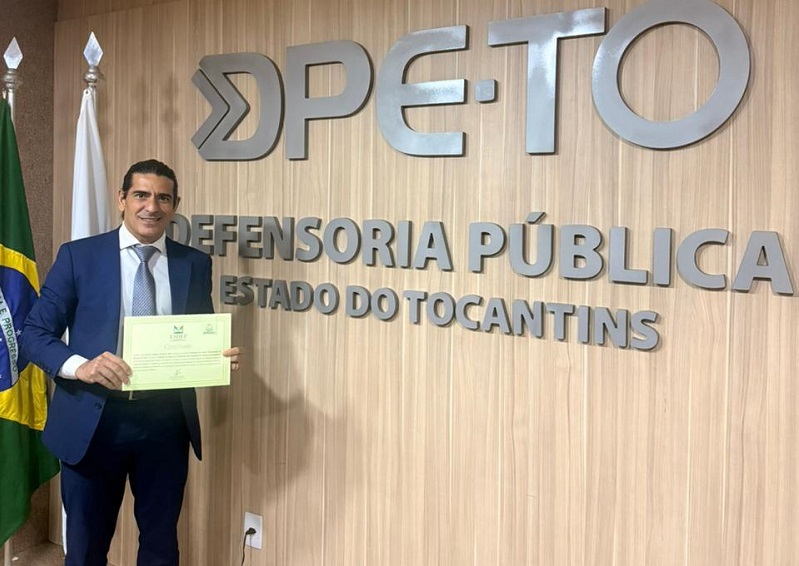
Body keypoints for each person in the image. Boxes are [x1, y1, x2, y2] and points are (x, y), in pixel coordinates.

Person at [21, 159, 240, 566]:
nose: (151, 207)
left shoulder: (194, 264)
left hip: (165, 423)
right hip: (93, 422)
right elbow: (34, 334)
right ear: (122, 199)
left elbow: (196, 332)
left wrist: (214, 357)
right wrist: (80, 366)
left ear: (175, 206)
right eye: (141, 195)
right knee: (86, 550)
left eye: (163, 198)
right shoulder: (79, 257)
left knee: (161, 545)